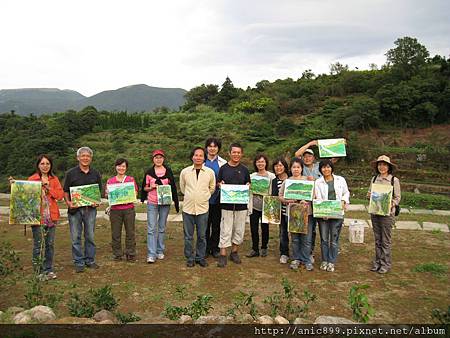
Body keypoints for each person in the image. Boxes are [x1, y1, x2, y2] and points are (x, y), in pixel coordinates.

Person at [9, 155, 64, 280]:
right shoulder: (32, 179)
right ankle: (38, 271)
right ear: (38, 165)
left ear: (51, 165)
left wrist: (48, 187)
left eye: (47, 163)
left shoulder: (54, 179)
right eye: (42, 163)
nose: (45, 166)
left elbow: (60, 195)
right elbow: (24, 194)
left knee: (50, 244)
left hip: (51, 217)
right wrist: (15, 185)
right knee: (38, 244)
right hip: (36, 217)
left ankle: (49, 269)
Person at [64, 147, 102, 273]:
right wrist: (69, 203)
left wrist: (96, 202)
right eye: (83, 156)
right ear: (78, 158)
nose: (85, 158)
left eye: (88, 156)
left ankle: (90, 260)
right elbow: (65, 191)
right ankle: (79, 262)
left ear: (91, 158)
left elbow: (98, 192)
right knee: (75, 237)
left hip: (90, 210)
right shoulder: (70, 173)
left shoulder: (96, 173)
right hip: (75, 211)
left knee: (90, 236)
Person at [140, 149, 179, 264]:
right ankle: (151, 254)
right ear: (153, 159)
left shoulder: (168, 171)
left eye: (160, 157)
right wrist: (150, 187)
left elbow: (173, 187)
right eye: (156, 157)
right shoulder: (149, 172)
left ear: (163, 159)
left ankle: (160, 250)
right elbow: (144, 188)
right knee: (151, 228)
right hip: (152, 202)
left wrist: (174, 201)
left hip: (165, 203)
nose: (158, 159)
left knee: (161, 227)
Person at [180, 147, 216, 267]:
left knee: (201, 235)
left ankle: (200, 257)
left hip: (202, 208)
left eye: (201, 155)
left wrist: (204, 196)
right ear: (192, 157)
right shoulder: (185, 172)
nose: (198, 157)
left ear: (204, 157)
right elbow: (182, 188)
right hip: (188, 209)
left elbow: (212, 188)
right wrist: (192, 196)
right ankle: (190, 257)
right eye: (196, 155)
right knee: (188, 236)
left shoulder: (210, 172)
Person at [217, 143, 250, 267]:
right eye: (234, 152)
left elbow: (248, 183)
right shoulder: (223, 168)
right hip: (226, 206)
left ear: (241, 154)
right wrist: (220, 185)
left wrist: (248, 186)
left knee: (239, 229)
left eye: (238, 152)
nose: (236, 154)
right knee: (225, 229)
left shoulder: (245, 169)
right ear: (229, 153)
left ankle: (234, 252)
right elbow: (218, 183)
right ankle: (223, 254)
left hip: (241, 206)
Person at [279, 157, 315, 271]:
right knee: (295, 238)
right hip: (293, 213)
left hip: (306, 213)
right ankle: (296, 259)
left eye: (298, 167)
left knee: (306, 238)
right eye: (294, 167)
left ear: (301, 168)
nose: (296, 169)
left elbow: (314, 195)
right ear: (290, 169)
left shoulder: (308, 180)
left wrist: (308, 201)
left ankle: (306, 260)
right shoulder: (287, 181)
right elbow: (280, 196)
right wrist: (287, 200)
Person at [314, 159, 350, 272]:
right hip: (323, 215)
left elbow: (346, 192)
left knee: (334, 239)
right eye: (323, 167)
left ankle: (331, 261)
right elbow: (318, 197)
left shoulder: (340, 180)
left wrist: (344, 201)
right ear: (320, 169)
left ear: (332, 168)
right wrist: (323, 212)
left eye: (328, 167)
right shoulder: (318, 182)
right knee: (324, 239)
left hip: (337, 214)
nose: (326, 169)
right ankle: (324, 260)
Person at [368, 155, 401, 274]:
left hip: (387, 214)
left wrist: (390, 203)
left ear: (388, 167)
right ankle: (377, 262)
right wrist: (370, 196)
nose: (382, 167)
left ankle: (385, 264)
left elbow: (398, 198)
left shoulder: (394, 180)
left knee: (385, 240)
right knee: (377, 239)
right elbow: (370, 193)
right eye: (380, 164)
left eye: (384, 165)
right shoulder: (374, 179)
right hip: (375, 212)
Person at [106, 158, 138, 262]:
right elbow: (107, 196)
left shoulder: (130, 180)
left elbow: (135, 193)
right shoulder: (110, 181)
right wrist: (107, 194)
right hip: (115, 210)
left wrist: (131, 195)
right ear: (116, 167)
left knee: (130, 232)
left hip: (129, 209)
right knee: (115, 233)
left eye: (123, 166)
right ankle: (117, 254)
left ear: (126, 168)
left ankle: (130, 253)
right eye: (119, 166)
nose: (121, 168)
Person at [247, 154, 275, 258]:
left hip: (266, 205)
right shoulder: (252, 176)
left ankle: (264, 247)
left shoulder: (271, 176)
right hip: (254, 205)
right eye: (258, 162)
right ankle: (255, 249)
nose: (260, 163)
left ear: (266, 163)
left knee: (265, 228)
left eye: (262, 161)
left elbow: (274, 191)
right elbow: (248, 189)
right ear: (255, 163)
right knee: (253, 228)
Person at [204, 137, 227, 258]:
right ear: (206, 147)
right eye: (210, 146)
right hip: (204, 199)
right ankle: (205, 248)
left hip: (218, 198)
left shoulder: (223, 163)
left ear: (218, 148)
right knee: (205, 225)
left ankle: (215, 248)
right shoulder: (201, 162)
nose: (212, 148)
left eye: (215, 146)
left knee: (217, 224)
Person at [270, 157, 290, 264]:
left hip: (293, 211)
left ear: (285, 167)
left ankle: (299, 254)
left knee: (296, 234)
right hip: (281, 212)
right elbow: (273, 197)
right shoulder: (274, 181)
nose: (278, 168)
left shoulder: (292, 178)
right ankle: (284, 253)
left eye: (281, 165)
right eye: (276, 166)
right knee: (283, 233)